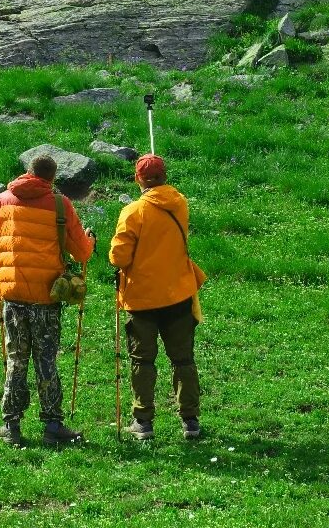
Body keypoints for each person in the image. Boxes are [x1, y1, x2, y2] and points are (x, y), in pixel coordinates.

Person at [0, 154, 94, 446]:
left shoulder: (3, 201)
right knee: (45, 358)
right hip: (46, 296)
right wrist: (91, 240)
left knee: (17, 359)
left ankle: (11, 425)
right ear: (53, 178)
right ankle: (53, 425)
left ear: (27, 172)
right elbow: (81, 253)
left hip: (13, 294)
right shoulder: (60, 204)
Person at [109, 154, 206, 441]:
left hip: (142, 299)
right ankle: (190, 421)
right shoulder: (180, 203)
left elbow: (119, 256)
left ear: (137, 179)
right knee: (183, 360)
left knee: (143, 360)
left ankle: (143, 421)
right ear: (165, 175)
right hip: (178, 294)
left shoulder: (133, 212)